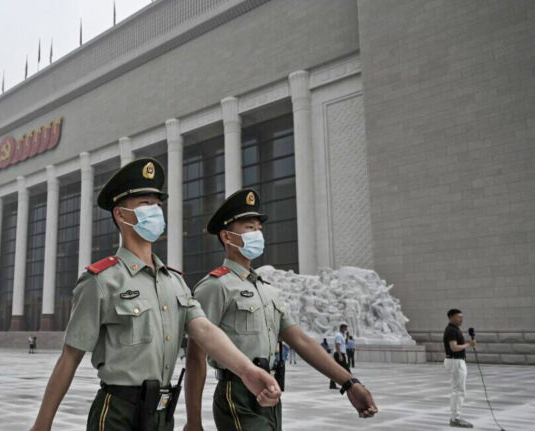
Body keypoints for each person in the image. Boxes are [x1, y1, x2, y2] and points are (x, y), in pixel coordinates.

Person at [30, 158, 282, 431]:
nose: (156, 211)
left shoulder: (174, 282)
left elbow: (206, 331)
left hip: (161, 415)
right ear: (121, 214)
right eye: (145, 204)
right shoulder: (102, 281)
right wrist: (42, 424)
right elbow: (70, 357)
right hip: (117, 415)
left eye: (158, 205)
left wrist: (247, 370)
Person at [186, 189, 378, 431]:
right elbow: (195, 357)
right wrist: (194, 422)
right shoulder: (215, 286)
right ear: (227, 236)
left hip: (271, 391)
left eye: (259, 229)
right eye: (249, 228)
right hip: (237, 395)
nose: (257, 234)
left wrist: (349, 383)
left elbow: (300, 340)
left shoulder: (269, 291)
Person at [443, 308, 475, 428]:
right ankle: (455, 419)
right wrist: (469, 345)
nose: (461, 319)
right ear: (451, 317)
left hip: (455, 361)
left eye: (462, 317)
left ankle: (455, 417)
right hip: (455, 361)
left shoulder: (454, 329)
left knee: (458, 390)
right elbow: (454, 348)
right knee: (458, 391)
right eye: (458, 317)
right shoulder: (451, 330)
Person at [329, 324, 351, 390]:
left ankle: (332, 384)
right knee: (347, 369)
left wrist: (347, 336)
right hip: (339, 354)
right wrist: (340, 355)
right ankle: (351, 384)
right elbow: (337, 345)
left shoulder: (342, 335)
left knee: (336, 370)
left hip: (341, 354)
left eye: (346, 328)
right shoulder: (338, 335)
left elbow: (346, 343)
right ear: (341, 328)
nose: (346, 330)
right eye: (345, 328)